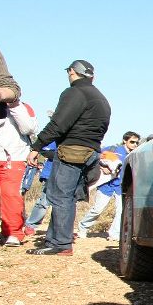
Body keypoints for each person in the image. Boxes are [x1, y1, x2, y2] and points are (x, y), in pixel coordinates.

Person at [26, 60, 111, 256]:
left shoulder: (74, 92)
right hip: (92, 152)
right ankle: (54, 240)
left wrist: (37, 146)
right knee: (68, 197)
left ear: (72, 72)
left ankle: (61, 244)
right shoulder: (101, 98)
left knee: (60, 196)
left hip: (72, 151)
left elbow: (58, 124)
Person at [0, 100, 36, 246]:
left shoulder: (23, 106)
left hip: (16, 157)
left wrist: (14, 106)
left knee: (12, 196)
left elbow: (29, 129)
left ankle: (13, 232)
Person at [76, 131, 139, 241]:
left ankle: (114, 233)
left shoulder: (135, 155)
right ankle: (83, 227)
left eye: (137, 143)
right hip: (107, 185)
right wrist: (102, 167)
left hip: (121, 187)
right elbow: (95, 157)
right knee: (97, 209)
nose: (135, 145)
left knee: (121, 211)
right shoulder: (113, 149)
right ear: (125, 141)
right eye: (132, 142)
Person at [23, 140, 56, 234]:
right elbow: (45, 151)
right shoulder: (57, 137)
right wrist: (64, 154)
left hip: (69, 175)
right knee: (44, 202)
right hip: (51, 173)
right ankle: (31, 225)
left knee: (66, 204)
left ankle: (62, 230)